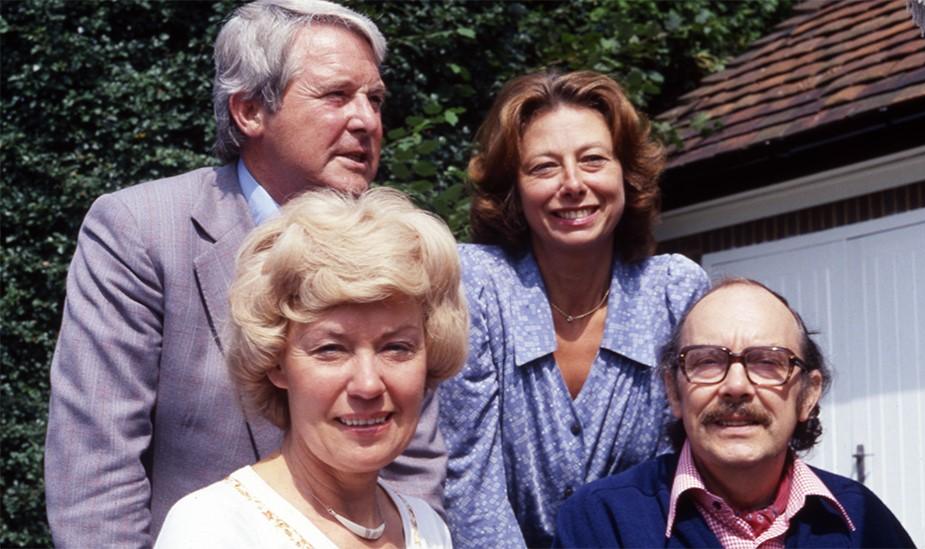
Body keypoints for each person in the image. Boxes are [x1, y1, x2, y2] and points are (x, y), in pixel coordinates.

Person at [44, 2, 446, 546]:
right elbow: (96, 470)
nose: (367, 119)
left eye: (374, 99)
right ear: (249, 111)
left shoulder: (400, 243)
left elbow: (413, 456)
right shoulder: (140, 230)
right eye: (336, 96)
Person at [438, 70, 711, 547]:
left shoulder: (673, 293)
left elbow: (699, 469)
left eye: (593, 160)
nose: (572, 184)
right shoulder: (477, 286)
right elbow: (470, 481)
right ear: (515, 190)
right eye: (544, 167)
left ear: (625, 173)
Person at [154, 188, 466, 548]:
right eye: (331, 349)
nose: (368, 384)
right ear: (276, 362)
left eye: (396, 348)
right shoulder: (214, 529)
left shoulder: (426, 527)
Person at [553, 278, 916, 548]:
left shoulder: (861, 521)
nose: (736, 386)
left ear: (808, 395)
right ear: (673, 392)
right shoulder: (600, 521)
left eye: (767, 362)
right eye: (708, 361)